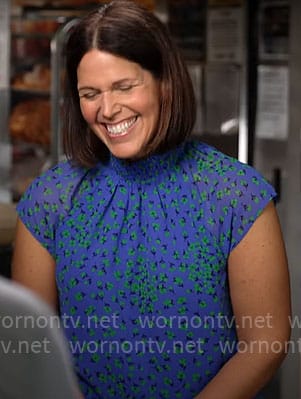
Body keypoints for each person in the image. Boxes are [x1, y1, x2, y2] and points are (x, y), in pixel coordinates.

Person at [12, 1, 291, 398]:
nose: (107, 110)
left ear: (166, 82)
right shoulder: (50, 200)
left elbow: (266, 342)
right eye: (90, 93)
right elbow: (33, 346)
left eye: (124, 87)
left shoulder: (236, 195)